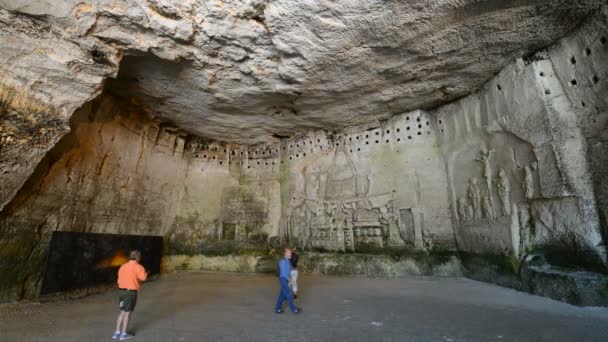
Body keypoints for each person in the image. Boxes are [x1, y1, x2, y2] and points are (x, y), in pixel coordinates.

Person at [112, 250, 148, 340]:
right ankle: (124, 334)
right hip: (130, 293)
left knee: (122, 311)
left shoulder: (123, 266)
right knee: (128, 313)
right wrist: (146, 273)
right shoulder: (139, 267)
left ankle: (116, 333)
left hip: (121, 292)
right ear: (138, 258)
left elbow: (118, 280)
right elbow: (143, 278)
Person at [275, 248, 301, 314]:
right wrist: (289, 278)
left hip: (286, 279)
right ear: (285, 253)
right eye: (289, 252)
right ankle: (294, 309)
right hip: (283, 279)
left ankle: (278, 309)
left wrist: (289, 277)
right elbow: (283, 273)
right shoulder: (282, 261)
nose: (291, 253)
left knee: (282, 295)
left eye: (290, 252)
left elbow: (288, 270)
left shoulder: (288, 261)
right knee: (289, 294)